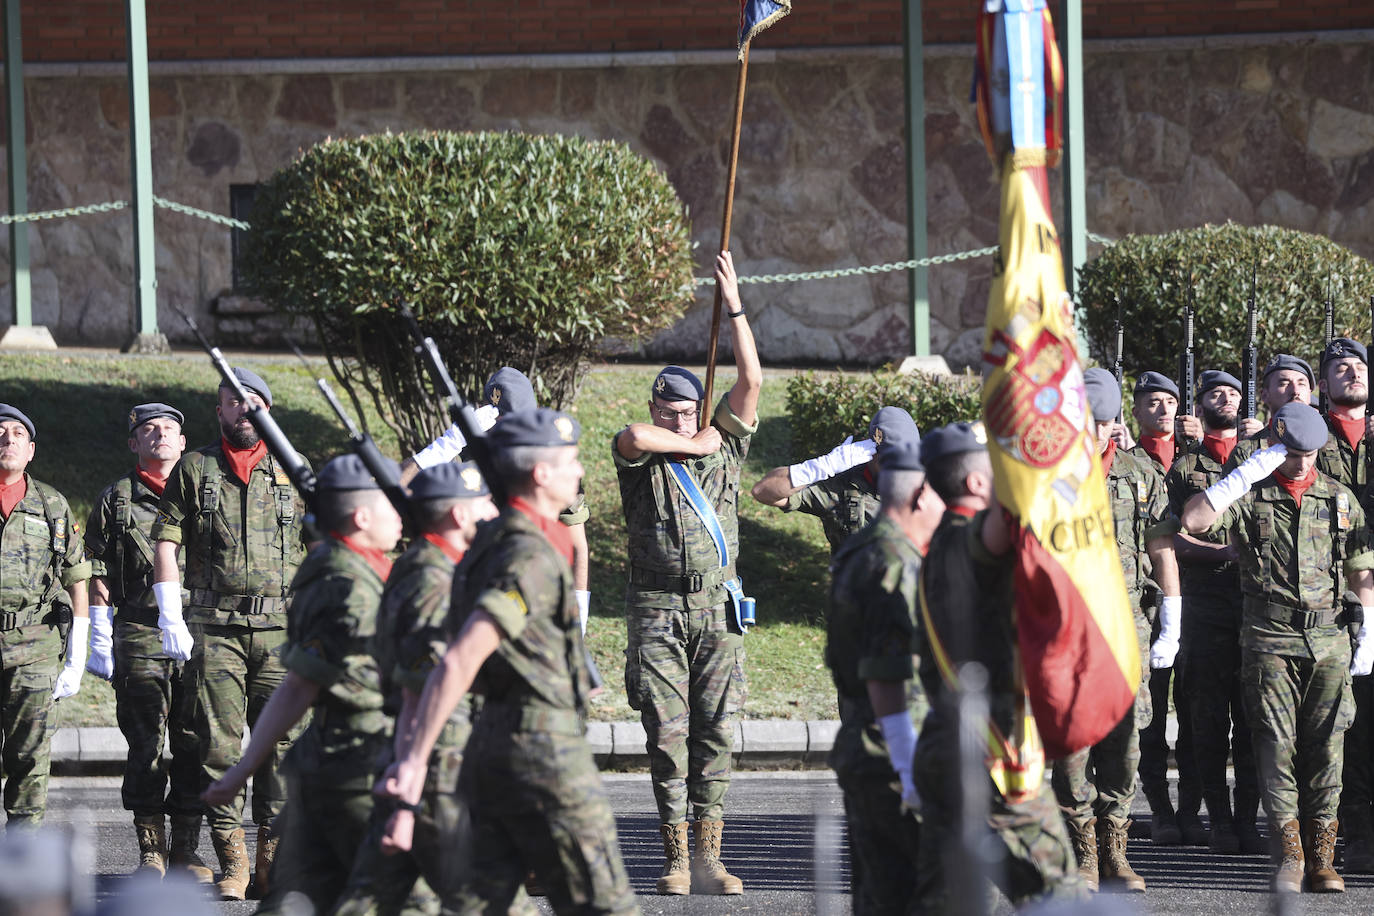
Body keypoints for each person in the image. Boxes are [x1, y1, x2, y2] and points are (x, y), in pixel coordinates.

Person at [379, 408, 638, 915]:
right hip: (544, 754)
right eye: (570, 462)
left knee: (488, 904)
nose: (580, 471)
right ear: (541, 474)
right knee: (603, 904)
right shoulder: (528, 554)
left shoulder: (487, 544)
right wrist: (412, 764)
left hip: (488, 748)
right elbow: (460, 659)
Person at [1181, 400, 1374, 894]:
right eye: (1291, 452)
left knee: (1328, 748)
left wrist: (1368, 626)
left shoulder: (1340, 498)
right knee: (1274, 746)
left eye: (1310, 453)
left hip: (1329, 640)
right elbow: (1196, 521)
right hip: (1269, 638)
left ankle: (1322, 858)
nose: (1302, 461)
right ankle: (1289, 855)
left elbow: (1360, 567)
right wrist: (1243, 474)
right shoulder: (1251, 494)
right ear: (1275, 447)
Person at [613, 250, 761, 895]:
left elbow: (752, 381)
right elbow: (633, 438)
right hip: (656, 608)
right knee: (666, 736)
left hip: (717, 610)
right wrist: (689, 441)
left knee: (716, 733)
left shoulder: (725, 440)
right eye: (666, 409)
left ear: (701, 408)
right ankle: (675, 856)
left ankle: (710, 856)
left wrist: (733, 307)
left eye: (687, 411)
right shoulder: (642, 453)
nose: (675, 417)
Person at [201, 453, 403, 914]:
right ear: (361, 516)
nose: (401, 515)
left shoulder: (354, 567)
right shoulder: (343, 580)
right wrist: (241, 769)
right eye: (392, 506)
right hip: (357, 764)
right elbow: (301, 684)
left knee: (294, 898)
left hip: (339, 760)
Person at [911, 421, 1087, 911]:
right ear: (975, 483)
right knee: (1062, 900)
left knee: (940, 903)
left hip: (946, 743)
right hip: (990, 754)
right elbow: (1007, 521)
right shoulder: (968, 540)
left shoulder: (937, 544)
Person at [150, 368, 310, 899]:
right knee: (217, 747)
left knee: (283, 747)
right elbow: (166, 540)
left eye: (254, 401)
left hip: (283, 632)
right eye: (232, 402)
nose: (243, 410)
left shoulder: (295, 468)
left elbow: (326, 543)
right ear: (219, 411)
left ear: (268, 408)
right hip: (214, 630)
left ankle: (270, 860)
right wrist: (170, 615)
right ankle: (233, 863)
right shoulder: (195, 468)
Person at [333, 461, 498, 915]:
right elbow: (423, 686)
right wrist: (414, 775)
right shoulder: (434, 579)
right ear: (459, 515)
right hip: (441, 758)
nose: (492, 511)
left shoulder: (434, 567)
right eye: (483, 503)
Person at [1052, 369, 1180, 893]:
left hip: (1127, 627)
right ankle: (1081, 852)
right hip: (1067, 630)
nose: (1097, 432)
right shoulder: (1047, 477)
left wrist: (1172, 612)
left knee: (1127, 739)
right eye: (1088, 421)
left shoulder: (1138, 472)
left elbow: (1161, 544)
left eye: (1104, 423)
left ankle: (1116, 852)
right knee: (1073, 743)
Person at [82, 403, 212, 880]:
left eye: (170, 429)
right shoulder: (115, 498)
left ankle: (188, 849)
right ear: (134, 443)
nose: (160, 435)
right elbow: (96, 568)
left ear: (183, 443)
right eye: (148, 429)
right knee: (145, 742)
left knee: (195, 739)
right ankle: (151, 849)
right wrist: (98, 632)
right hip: (139, 629)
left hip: (199, 629)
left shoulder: (205, 490)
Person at [826, 439, 943, 914]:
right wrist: (910, 765)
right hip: (896, 759)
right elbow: (888, 677)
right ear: (920, 497)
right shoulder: (894, 563)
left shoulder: (864, 549)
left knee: (877, 898)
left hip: (872, 751)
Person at [402, 367, 594, 633]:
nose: (500, 431)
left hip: (533, 591)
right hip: (471, 593)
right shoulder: (464, 454)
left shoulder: (552, 465)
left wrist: (578, 613)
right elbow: (395, 491)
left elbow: (576, 547)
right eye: (494, 420)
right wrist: (446, 445)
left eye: (508, 421)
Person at [1163, 371, 1264, 855]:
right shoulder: (1184, 468)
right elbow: (1172, 539)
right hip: (1205, 606)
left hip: (1256, 606)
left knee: (1251, 718)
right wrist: (1223, 555)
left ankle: (1249, 819)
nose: (1224, 398)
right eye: (1214, 393)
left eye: (1232, 392)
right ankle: (1218, 821)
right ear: (1200, 405)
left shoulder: (1262, 462)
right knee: (1205, 718)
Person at [0, 403, 91, 826]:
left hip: (34, 648)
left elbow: (76, 575)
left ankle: (20, 865)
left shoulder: (51, 505)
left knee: (30, 758)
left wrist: (79, 652)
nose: (8, 439)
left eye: (18, 433)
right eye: (0, 432)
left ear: (31, 450)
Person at [1124, 370, 1205, 846]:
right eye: (1151, 402)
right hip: (1148, 605)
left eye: (1169, 402)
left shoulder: (1195, 460)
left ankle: (1192, 809)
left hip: (1201, 601)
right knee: (1150, 715)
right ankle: (1159, 809)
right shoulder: (1127, 463)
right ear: (1135, 411)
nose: (1162, 409)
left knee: (1197, 711)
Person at [1312, 337, 1374, 870]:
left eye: (1359, 366)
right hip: (1341, 597)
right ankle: (1356, 829)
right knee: (1351, 718)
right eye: (1340, 368)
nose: (1352, 373)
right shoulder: (1309, 438)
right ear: (1324, 384)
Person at [750, 406, 920, 554]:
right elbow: (763, 491)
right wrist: (822, 467)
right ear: (870, 450)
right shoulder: (840, 488)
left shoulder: (928, 488)